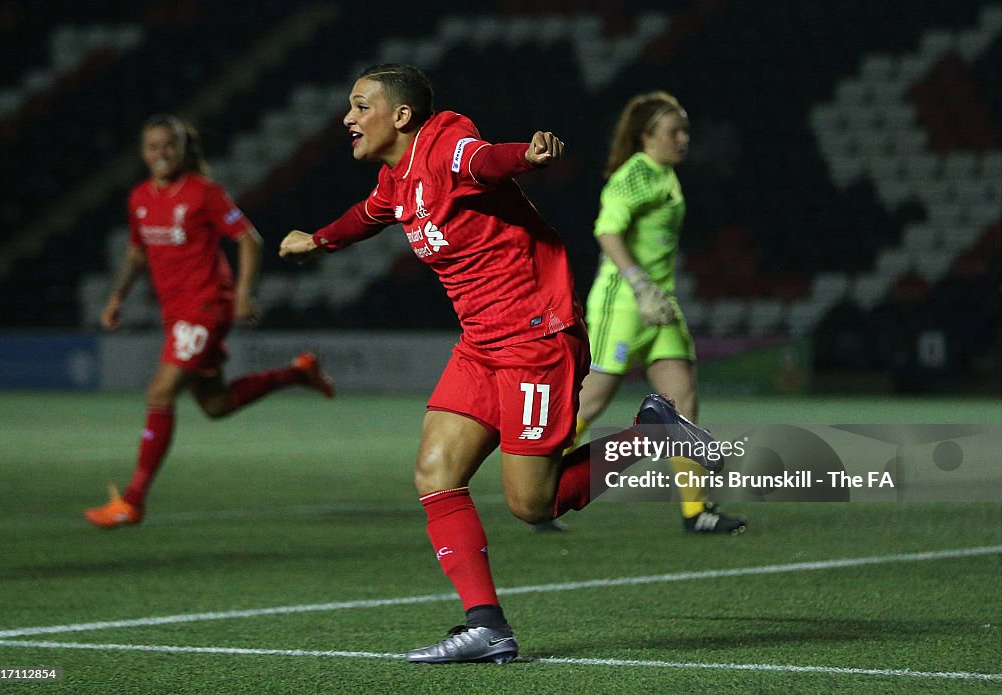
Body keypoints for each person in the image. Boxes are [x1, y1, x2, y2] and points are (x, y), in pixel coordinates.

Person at [279, 64, 722, 664]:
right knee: (435, 471)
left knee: (532, 504)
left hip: (535, 339)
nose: (348, 119)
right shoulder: (398, 176)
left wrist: (527, 157)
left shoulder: (444, 143)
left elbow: (484, 160)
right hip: (481, 344)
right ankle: (486, 627)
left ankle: (651, 435)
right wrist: (320, 240)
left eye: (360, 106)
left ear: (401, 116)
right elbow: (371, 213)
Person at [84, 114, 335, 530]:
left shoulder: (204, 193)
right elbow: (135, 253)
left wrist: (241, 296)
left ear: (184, 150)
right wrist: (116, 298)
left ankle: (132, 501)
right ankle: (297, 373)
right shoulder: (140, 198)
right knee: (216, 405)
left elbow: (249, 239)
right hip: (176, 314)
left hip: (204, 308)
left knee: (160, 392)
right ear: (143, 153)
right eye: (153, 147)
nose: (161, 153)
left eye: (170, 145)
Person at [564, 91, 745, 535]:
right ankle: (546, 486)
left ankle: (695, 511)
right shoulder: (635, 174)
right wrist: (641, 285)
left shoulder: (663, 174)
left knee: (682, 401)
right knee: (591, 400)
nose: (683, 139)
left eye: (685, 130)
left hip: (660, 305)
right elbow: (607, 232)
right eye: (673, 131)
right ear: (646, 136)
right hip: (624, 302)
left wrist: (654, 293)